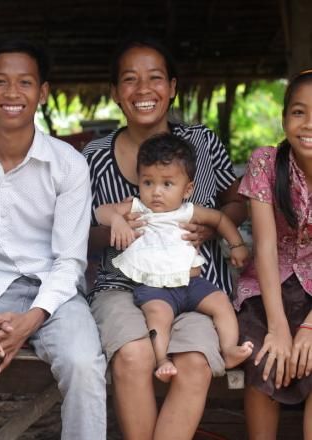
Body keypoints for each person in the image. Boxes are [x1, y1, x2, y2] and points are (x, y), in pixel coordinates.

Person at [0, 38, 106, 440]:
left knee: (83, 364)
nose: (12, 93)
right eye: (0, 82)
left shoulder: (69, 164)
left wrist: (30, 320)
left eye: (25, 83)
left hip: (55, 297)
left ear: (42, 92)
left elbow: (69, 261)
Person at [83, 35, 247, 440]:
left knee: (193, 361)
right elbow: (75, 236)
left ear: (172, 87)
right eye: (130, 80)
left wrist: (215, 224)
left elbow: (238, 202)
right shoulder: (93, 156)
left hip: (194, 283)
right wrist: (113, 232)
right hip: (120, 286)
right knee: (133, 354)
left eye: (155, 78)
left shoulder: (204, 145)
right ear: (116, 92)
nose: (143, 90)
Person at [95, 133, 252, 383]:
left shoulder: (189, 211)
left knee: (221, 302)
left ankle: (230, 348)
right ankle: (162, 361)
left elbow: (220, 219)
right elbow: (102, 210)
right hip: (155, 289)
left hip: (193, 284)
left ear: (187, 189)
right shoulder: (138, 207)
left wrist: (237, 245)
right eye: (148, 183)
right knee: (158, 316)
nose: (156, 192)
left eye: (167, 184)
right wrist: (116, 220)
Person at [234, 69, 312, 439]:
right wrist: (279, 327)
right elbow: (264, 247)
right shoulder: (266, 162)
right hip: (270, 286)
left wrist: (310, 327)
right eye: (298, 112)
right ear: (283, 119)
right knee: (262, 354)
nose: (308, 124)